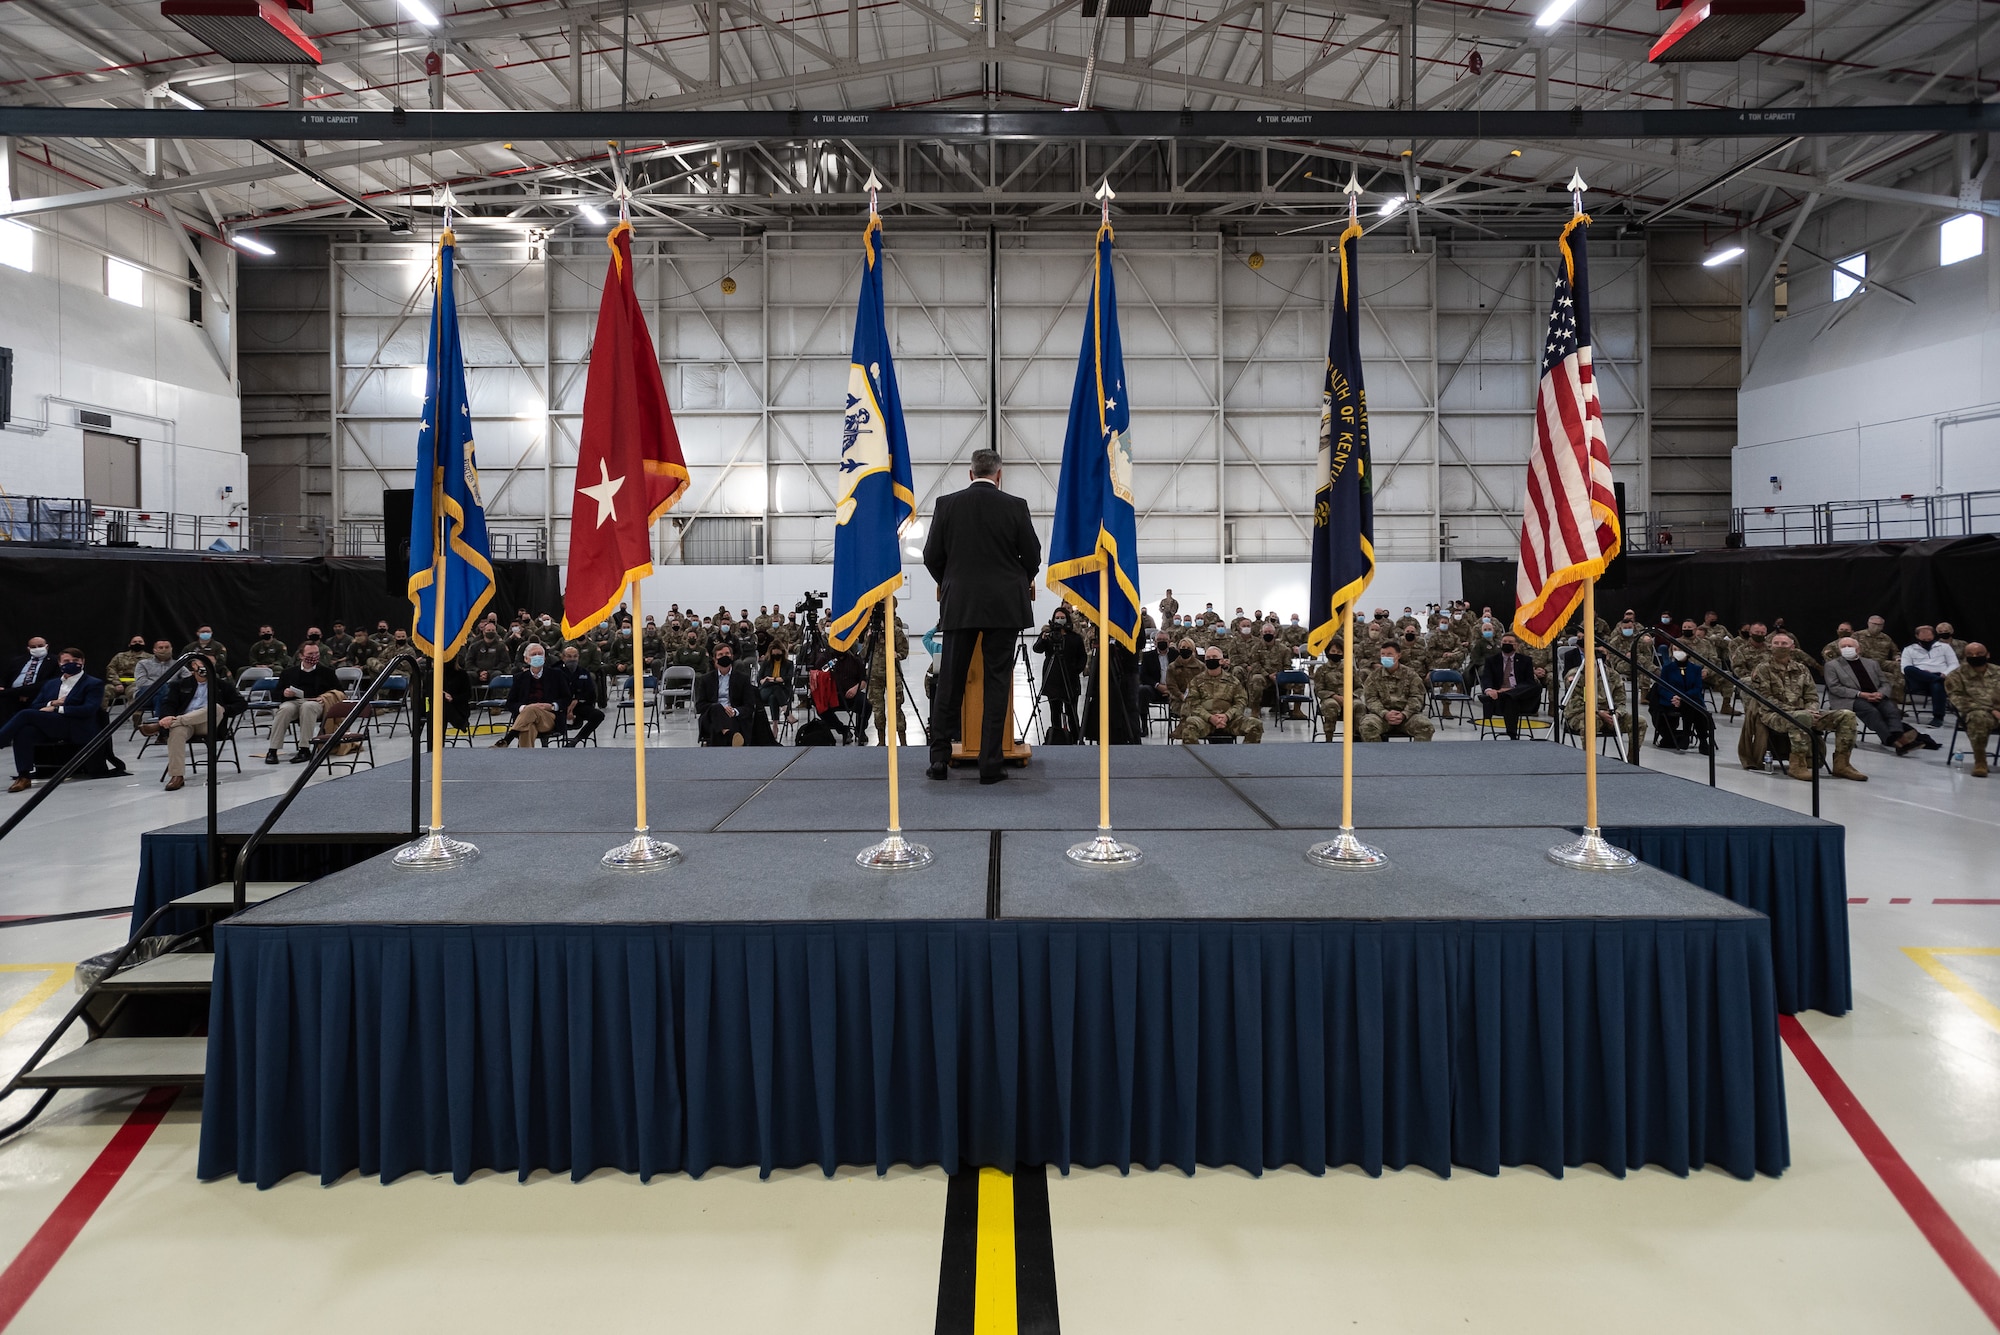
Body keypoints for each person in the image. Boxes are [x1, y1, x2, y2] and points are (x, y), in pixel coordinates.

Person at [922, 449, 1041, 784]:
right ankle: (990, 765)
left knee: (950, 683)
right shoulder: (1015, 506)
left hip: (960, 603)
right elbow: (1032, 557)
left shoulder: (947, 505)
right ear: (999, 475)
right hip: (1004, 606)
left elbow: (932, 555)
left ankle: (939, 759)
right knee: (997, 681)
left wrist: (951, 582)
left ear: (970, 473)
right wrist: (1015, 579)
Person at [1745, 632, 1865, 781]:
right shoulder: (1763, 669)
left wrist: (1812, 710)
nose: (1780, 646)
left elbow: (1811, 696)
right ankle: (1798, 765)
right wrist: (1800, 712)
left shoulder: (1801, 669)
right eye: (1776, 643)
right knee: (1801, 717)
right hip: (1773, 714)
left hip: (1805, 712)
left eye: (1784, 644)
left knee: (1847, 715)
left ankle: (1842, 764)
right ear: (1770, 646)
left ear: (1792, 647)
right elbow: (1765, 699)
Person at [1, 648, 112, 792]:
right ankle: (24, 776)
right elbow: (36, 705)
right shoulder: (51, 684)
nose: (71, 663)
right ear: (59, 663)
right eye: (66, 661)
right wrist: (53, 703)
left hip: (74, 724)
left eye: (76, 661)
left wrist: (56, 709)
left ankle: (1, 740)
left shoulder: (93, 683)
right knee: (24, 731)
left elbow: (88, 710)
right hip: (51, 724)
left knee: (26, 714)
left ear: (83, 662)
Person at [146, 656, 244, 791]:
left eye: (210, 663)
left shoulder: (222, 685)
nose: (206, 666)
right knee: (177, 731)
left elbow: (241, 704)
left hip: (210, 724)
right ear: (193, 665)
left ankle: (165, 725)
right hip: (187, 725)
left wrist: (225, 710)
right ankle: (177, 776)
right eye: (202, 663)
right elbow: (168, 703)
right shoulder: (180, 684)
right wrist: (167, 716)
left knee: (215, 707)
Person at [1825, 636, 1930, 756]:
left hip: (1875, 695)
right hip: (1849, 698)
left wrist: (1881, 693)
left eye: (1850, 646)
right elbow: (1835, 688)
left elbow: (1884, 683)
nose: (1847, 649)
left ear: (1858, 649)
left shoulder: (1871, 663)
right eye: (1843, 647)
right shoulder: (1832, 665)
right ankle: (1894, 741)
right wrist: (1861, 694)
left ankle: (1897, 738)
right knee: (1871, 711)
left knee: (1891, 710)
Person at [261, 641, 342, 763]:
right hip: (295, 701)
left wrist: (325, 697)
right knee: (284, 709)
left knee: (307, 706)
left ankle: (304, 749)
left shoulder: (327, 672)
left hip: (317, 702)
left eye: (316, 653)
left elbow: (339, 692)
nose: (314, 656)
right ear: (301, 656)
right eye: (310, 653)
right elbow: (276, 694)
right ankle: (273, 750)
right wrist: (284, 692)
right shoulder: (289, 672)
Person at [493, 643, 571, 747]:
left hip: (549, 717)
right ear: (526, 659)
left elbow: (567, 698)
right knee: (528, 727)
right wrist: (524, 708)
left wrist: (552, 706)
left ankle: (508, 738)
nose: (537, 656)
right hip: (526, 720)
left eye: (540, 654)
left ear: (544, 657)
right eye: (534, 654)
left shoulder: (557, 675)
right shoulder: (519, 678)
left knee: (531, 709)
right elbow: (510, 703)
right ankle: (527, 760)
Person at [1175, 649, 1262, 742]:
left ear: (1221, 661)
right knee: (1189, 725)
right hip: (1204, 721)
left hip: (1230, 721)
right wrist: (1210, 717)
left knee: (1255, 724)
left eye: (1214, 657)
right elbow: (1192, 703)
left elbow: (1241, 702)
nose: (1211, 659)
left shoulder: (1233, 681)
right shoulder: (1196, 681)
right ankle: (1197, 756)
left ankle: (1247, 755)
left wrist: (1227, 716)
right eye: (1208, 658)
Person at [1360, 642, 1434, 741]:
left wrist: (1404, 714)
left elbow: (1417, 697)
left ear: (1398, 655)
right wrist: (1385, 714)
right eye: (1383, 654)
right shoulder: (1373, 676)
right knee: (1367, 726)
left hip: (1407, 717)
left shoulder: (1411, 675)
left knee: (1425, 726)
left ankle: (1418, 755)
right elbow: (1371, 699)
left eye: (1389, 654)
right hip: (1381, 717)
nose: (1386, 657)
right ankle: (1377, 755)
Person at [1032, 608, 1087, 739]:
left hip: (1070, 681)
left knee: (1071, 712)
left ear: (1067, 619)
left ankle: (1076, 739)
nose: (1059, 620)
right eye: (1057, 617)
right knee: (1054, 712)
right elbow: (1036, 649)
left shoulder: (1075, 637)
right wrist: (1043, 639)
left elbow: (1082, 657)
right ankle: (1057, 739)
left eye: (1062, 617)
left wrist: (1075, 670)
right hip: (1052, 681)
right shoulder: (1048, 634)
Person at [1651, 642, 1714, 754]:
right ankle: (1702, 740)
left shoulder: (1696, 669)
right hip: (1672, 701)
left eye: (1680, 649)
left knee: (1692, 706)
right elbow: (1662, 688)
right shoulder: (1667, 668)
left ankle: (1688, 736)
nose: (1677, 652)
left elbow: (1697, 688)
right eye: (1675, 649)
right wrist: (1674, 697)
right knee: (1693, 706)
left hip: (1690, 699)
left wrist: (1682, 698)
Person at [696, 639, 760, 746]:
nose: (724, 656)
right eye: (720, 654)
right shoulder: (705, 679)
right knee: (717, 708)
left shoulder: (743, 679)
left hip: (733, 716)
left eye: (727, 654)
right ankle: (730, 735)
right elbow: (699, 706)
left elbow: (749, 706)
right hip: (711, 717)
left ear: (732, 657)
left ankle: (723, 738)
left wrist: (734, 711)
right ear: (714, 659)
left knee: (716, 729)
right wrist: (721, 709)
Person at [1477, 633, 1542, 739]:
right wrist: (1488, 690)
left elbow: (1529, 682)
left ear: (1516, 645)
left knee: (1536, 686)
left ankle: (1508, 693)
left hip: (1520, 696)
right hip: (1497, 698)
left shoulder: (1525, 660)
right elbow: (1486, 678)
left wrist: (1510, 690)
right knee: (1511, 699)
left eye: (1510, 642)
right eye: (1504, 642)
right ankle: (1512, 735)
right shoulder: (1492, 660)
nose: (1507, 644)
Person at [1945, 644, 1997, 777]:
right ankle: (1980, 761)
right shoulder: (1956, 676)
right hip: (1976, 714)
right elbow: (1959, 701)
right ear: (1965, 657)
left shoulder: (1997, 671)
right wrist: (1992, 711)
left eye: (1979, 654)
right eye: (1970, 655)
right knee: (1978, 717)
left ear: (1988, 655)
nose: (1975, 657)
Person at [1900, 626, 1958, 727]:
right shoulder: (1909, 649)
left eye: (1929, 639)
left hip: (1940, 675)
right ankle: (1936, 680)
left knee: (1937, 685)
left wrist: (1945, 673)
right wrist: (1922, 672)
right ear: (1917, 637)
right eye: (1924, 640)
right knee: (1909, 669)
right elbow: (1904, 668)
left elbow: (1954, 664)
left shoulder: (1944, 647)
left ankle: (1938, 717)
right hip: (1920, 679)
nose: (1927, 641)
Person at [554, 644, 604, 745]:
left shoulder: (584, 672)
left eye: (575, 656)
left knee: (598, 715)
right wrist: (567, 707)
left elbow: (591, 694)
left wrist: (577, 699)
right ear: (563, 658)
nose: (572, 659)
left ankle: (576, 740)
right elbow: (553, 693)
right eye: (569, 656)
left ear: (578, 657)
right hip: (560, 706)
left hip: (580, 705)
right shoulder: (555, 672)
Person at [2, 636, 51, 725]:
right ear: (28, 649)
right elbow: (5, 676)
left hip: (36, 696)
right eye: (33, 647)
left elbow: (48, 682)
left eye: (40, 646)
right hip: (10, 696)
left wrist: (20, 692)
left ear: (46, 647)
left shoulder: (54, 661)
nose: (37, 649)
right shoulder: (17, 661)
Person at [131, 640, 180, 708]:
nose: (164, 650)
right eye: (161, 647)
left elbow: (188, 679)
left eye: (167, 647)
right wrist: (164, 686)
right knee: (163, 688)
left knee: (159, 697)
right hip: (145, 695)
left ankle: (159, 717)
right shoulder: (143, 664)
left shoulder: (178, 664)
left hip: (168, 695)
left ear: (171, 649)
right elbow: (141, 683)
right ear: (154, 650)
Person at [104, 637, 149, 706]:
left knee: (135, 693)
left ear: (144, 644)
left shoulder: (150, 658)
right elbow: (110, 669)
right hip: (118, 684)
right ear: (129, 644)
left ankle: (135, 715)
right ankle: (100, 714)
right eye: (134, 642)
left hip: (136, 684)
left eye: (140, 642)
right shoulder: (120, 656)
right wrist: (117, 683)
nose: (137, 643)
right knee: (103, 691)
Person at [758, 641, 794, 725]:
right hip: (766, 690)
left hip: (783, 691)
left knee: (773, 697)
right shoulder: (766, 663)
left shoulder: (789, 664)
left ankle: (775, 725)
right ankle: (786, 712)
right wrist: (777, 680)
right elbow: (759, 678)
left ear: (782, 652)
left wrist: (772, 679)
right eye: (774, 654)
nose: (776, 656)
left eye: (778, 654)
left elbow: (788, 678)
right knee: (776, 688)